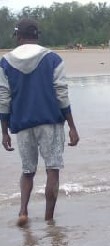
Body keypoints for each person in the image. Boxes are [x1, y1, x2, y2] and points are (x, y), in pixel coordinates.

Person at [0, 19, 80, 226]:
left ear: (18, 36)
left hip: (22, 123)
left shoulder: (5, 62)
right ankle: (48, 219)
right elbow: (61, 94)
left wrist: (4, 131)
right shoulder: (53, 58)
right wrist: (71, 125)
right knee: (52, 169)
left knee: (27, 170)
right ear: (38, 35)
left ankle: (23, 211)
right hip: (50, 121)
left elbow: (4, 98)